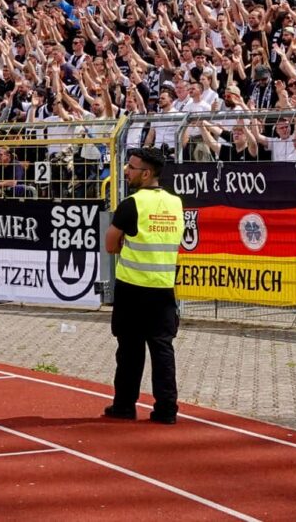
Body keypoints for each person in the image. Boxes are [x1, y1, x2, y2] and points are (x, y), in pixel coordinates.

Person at [102, 146, 183, 424]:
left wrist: (126, 241)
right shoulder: (176, 203)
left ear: (146, 174)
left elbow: (110, 245)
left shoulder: (132, 204)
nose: (127, 171)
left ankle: (124, 406)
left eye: (132, 167)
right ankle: (167, 410)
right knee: (162, 349)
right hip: (163, 289)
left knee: (129, 351)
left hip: (133, 288)